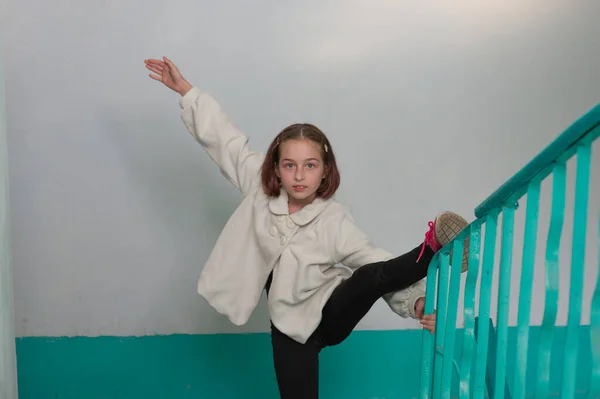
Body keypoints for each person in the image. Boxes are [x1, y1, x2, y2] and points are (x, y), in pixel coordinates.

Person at [144, 56, 470, 399]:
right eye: (290, 165)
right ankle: (432, 250)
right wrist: (186, 91)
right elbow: (227, 143)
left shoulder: (334, 219)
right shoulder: (259, 189)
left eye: (310, 165)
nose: (299, 175)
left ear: (325, 171)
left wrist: (417, 302)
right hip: (288, 328)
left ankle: (434, 246)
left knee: (369, 276)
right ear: (277, 168)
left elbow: (375, 261)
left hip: (331, 314)